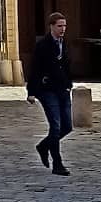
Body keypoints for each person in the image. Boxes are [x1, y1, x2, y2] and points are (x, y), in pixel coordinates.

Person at [27, 11, 74, 175]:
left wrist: (69, 84)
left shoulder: (64, 43)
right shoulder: (43, 45)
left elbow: (67, 66)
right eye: (60, 26)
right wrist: (31, 92)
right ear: (51, 26)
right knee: (55, 127)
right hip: (47, 90)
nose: (63, 29)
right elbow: (34, 70)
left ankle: (43, 146)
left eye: (64, 26)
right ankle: (57, 164)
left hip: (63, 89)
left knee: (67, 126)